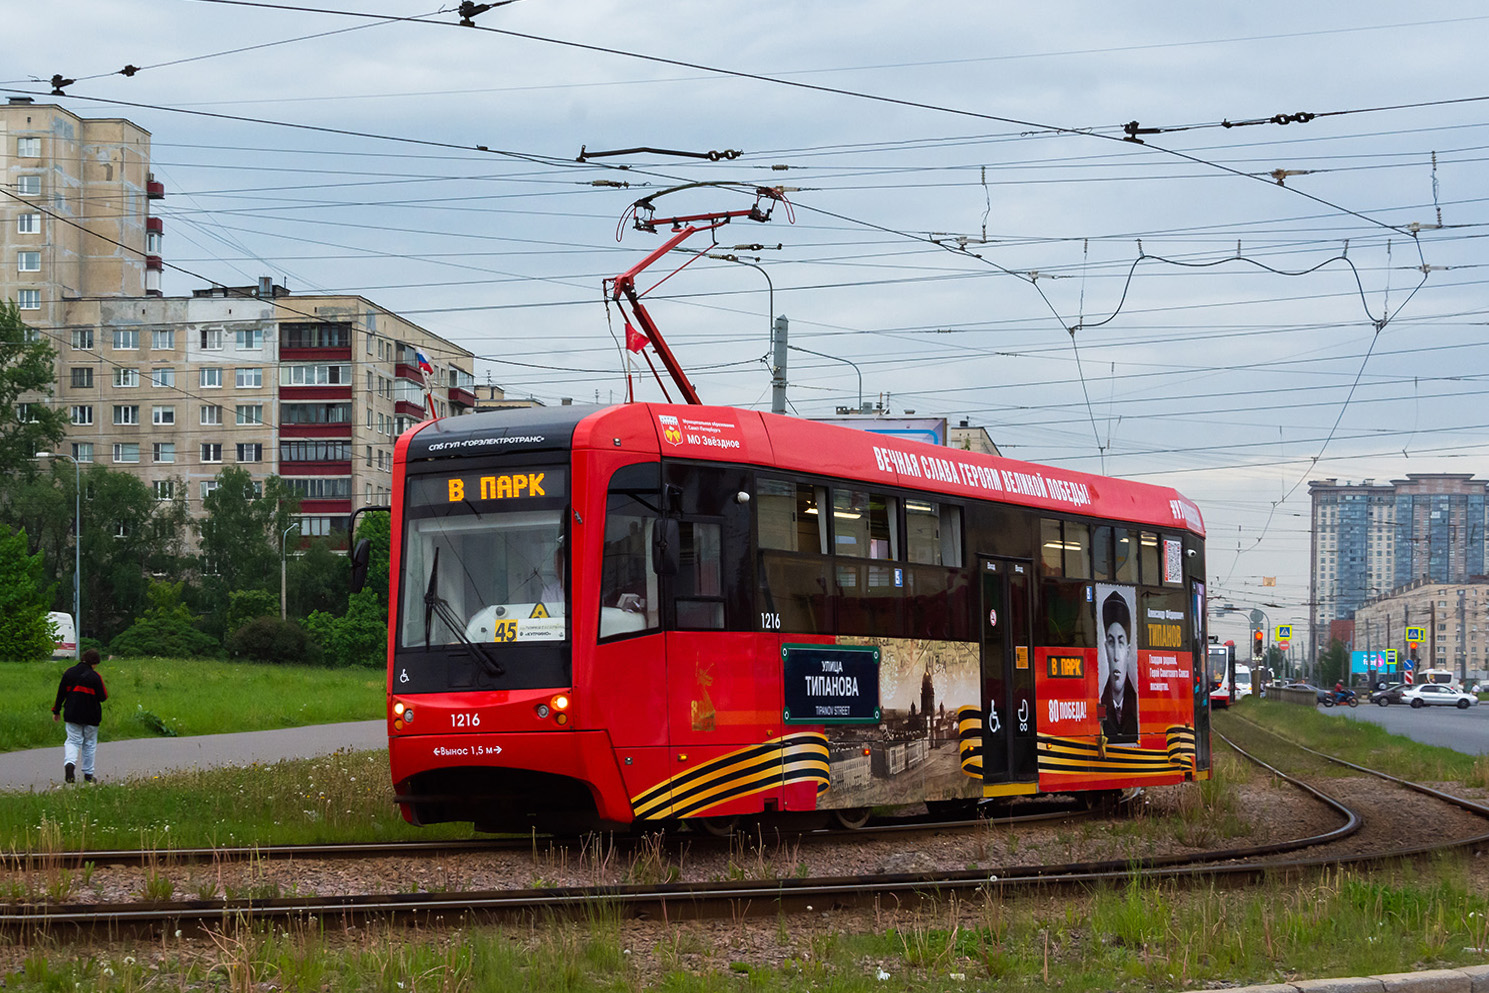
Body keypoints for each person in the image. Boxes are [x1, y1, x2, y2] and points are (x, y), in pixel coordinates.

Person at [52, 648, 108, 784]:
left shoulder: (69, 673)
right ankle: (88, 775)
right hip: (91, 715)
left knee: (72, 741)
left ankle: (70, 763)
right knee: (89, 744)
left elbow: (61, 694)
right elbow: (103, 697)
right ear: (94, 663)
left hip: (72, 713)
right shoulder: (95, 677)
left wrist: (56, 711)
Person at [1099, 591, 1138, 739]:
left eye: (1120, 643)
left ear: (1128, 651)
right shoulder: (1099, 704)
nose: (1116, 656)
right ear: (1105, 649)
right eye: (1111, 642)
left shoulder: (1137, 704)